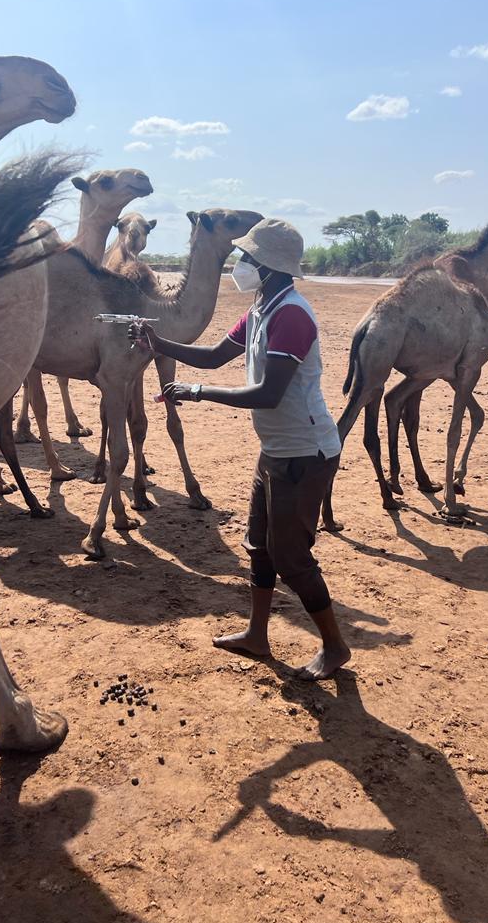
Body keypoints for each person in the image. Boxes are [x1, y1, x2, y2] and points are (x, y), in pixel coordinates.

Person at [131, 217, 350, 680]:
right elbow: (214, 354)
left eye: (247, 257)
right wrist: (155, 343)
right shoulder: (261, 309)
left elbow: (268, 393)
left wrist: (195, 392)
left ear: (267, 266)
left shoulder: (291, 315)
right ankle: (257, 635)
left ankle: (334, 646)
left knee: (291, 557)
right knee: (259, 547)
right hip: (277, 449)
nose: (240, 263)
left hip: (304, 454)